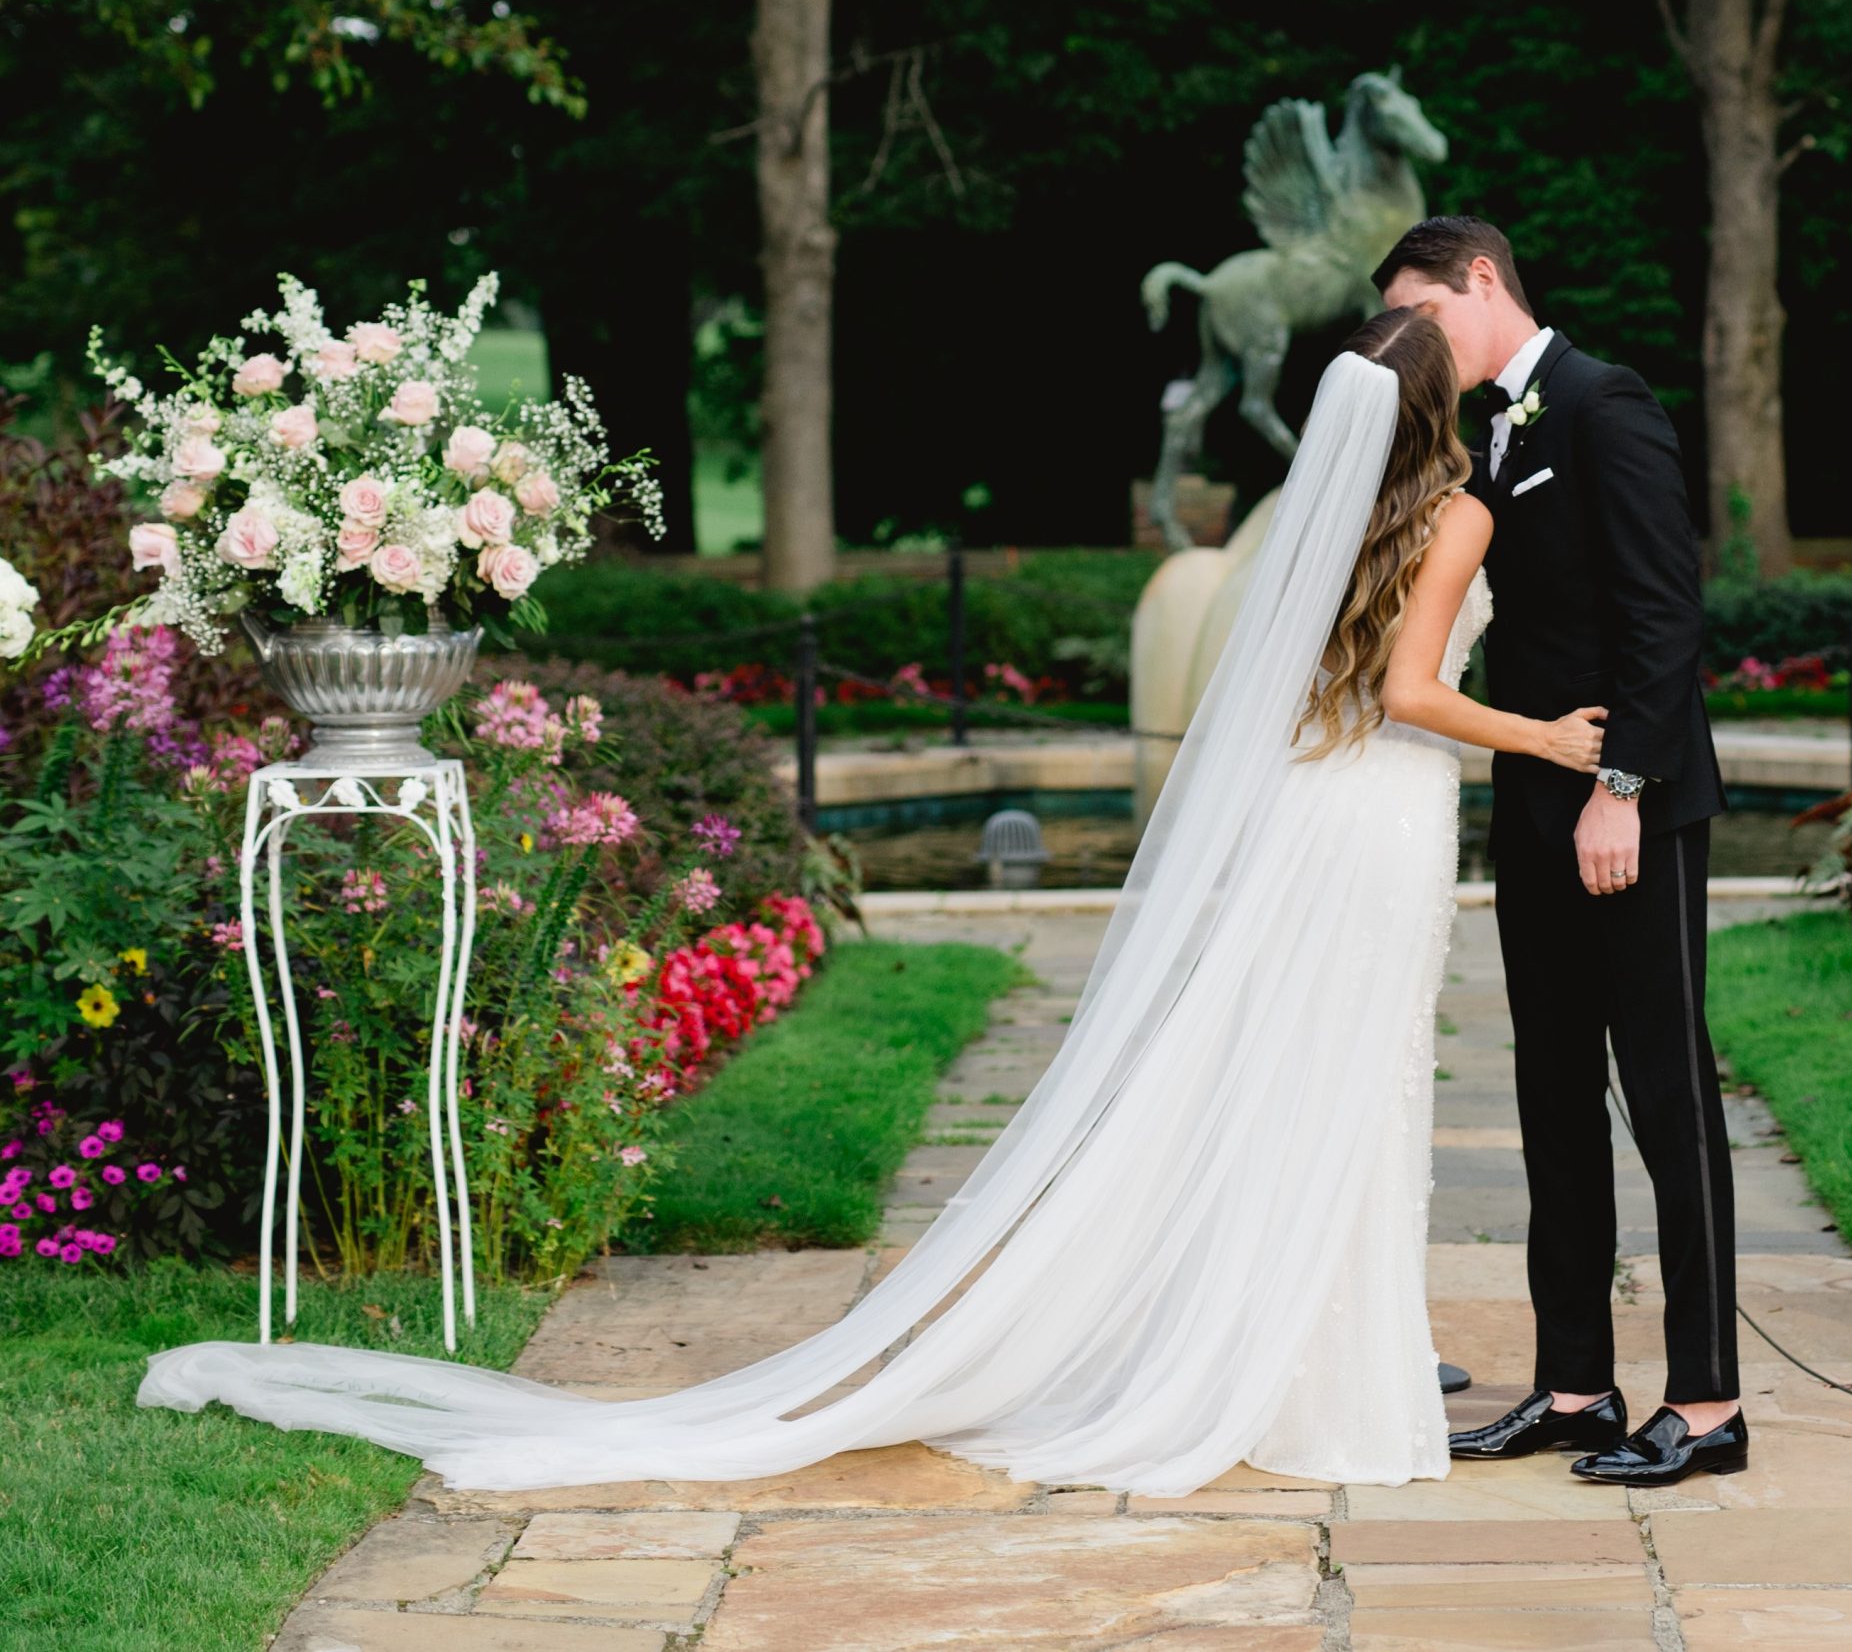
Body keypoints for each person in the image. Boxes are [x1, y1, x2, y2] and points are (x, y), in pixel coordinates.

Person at [136, 308, 1615, 1498]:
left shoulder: (1326, 515)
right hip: (1381, 819)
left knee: (1300, 1080)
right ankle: (1325, 1375)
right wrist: (1547, 736)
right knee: (1353, 1084)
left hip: (1320, 808)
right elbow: (1417, 692)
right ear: (1442, 407)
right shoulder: (1458, 514)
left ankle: (1300, 1350)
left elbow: (1333, 681)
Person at [1379, 216, 1747, 1487]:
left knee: (1666, 1094)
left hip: (1627, 809)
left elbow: (1664, 614)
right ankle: (1578, 1383)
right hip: (1532, 811)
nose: (1419, 344)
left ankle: (1705, 1400)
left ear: (1482, 280)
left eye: (1424, 314)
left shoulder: (1604, 403)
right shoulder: (1490, 426)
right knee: (1550, 1096)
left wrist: (1622, 788)